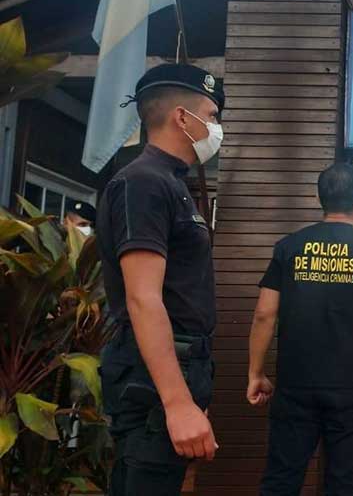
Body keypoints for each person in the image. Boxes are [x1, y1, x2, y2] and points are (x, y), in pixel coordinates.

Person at [96, 63, 225, 496]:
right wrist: (177, 402)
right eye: (212, 115)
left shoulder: (170, 183)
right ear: (182, 118)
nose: (216, 127)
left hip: (178, 366)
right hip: (153, 380)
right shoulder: (143, 183)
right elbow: (143, 298)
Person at [248, 162, 353, 495]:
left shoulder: (289, 247)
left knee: (281, 479)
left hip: (295, 385)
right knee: (347, 483)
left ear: (320, 199)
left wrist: (256, 373)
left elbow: (264, 314)